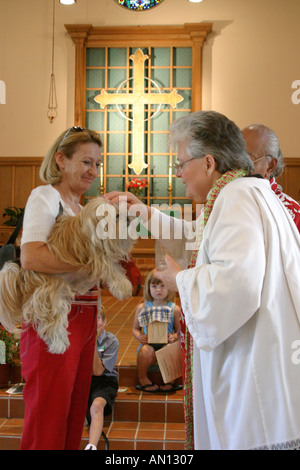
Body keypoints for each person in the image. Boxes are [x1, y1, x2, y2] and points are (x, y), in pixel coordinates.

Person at [105, 111, 300, 450]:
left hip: (250, 372)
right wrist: (144, 212)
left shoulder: (237, 198)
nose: (178, 173)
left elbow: (236, 283)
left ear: (209, 162)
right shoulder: (248, 192)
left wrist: (181, 280)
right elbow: (200, 239)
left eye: (181, 163)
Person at [20, 126, 103, 450]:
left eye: (97, 164)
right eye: (85, 162)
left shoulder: (82, 209)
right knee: (48, 422)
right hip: (54, 316)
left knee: (71, 419)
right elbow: (31, 256)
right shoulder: (46, 196)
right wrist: (90, 265)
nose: (93, 171)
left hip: (84, 318)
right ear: (60, 160)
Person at [242, 124, 300, 232]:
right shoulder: (220, 199)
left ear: (270, 166)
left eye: (247, 160)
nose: (237, 167)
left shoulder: (291, 213)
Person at [132, 269, 181, 393]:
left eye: (162, 286)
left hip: (166, 346)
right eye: (154, 286)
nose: (158, 290)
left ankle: (170, 380)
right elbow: (135, 329)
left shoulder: (174, 309)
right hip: (149, 347)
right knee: (146, 350)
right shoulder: (142, 308)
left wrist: (174, 338)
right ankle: (143, 378)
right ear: (148, 288)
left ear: (169, 287)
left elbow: (181, 332)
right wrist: (140, 337)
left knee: (172, 348)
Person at [85, 306, 119, 450]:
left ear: (104, 322)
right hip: (84, 380)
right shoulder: (75, 338)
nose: (93, 322)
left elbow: (98, 371)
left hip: (104, 380)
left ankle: (91, 446)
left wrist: (91, 340)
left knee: (97, 406)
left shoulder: (111, 341)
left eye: (97, 318)